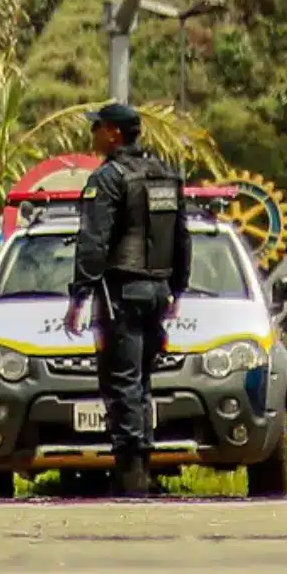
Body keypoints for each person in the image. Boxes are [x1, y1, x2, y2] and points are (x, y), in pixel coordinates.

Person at [63, 102, 191, 497]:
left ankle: (131, 479)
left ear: (114, 133)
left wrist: (79, 296)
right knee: (141, 383)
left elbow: (94, 242)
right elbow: (182, 237)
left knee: (122, 385)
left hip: (122, 293)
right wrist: (177, 288)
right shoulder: (165, 174)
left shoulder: (110, 177)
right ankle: (141, 471)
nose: (93, 135)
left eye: (97, 128)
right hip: (157, 292)